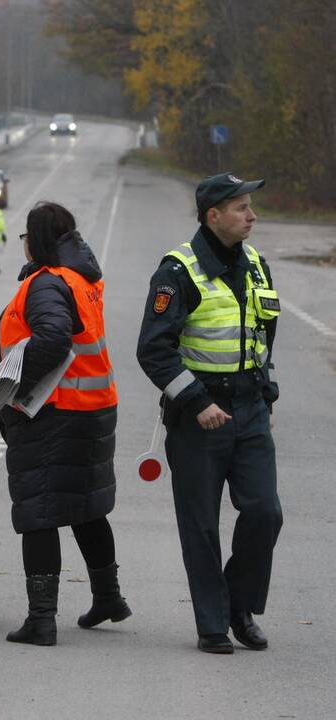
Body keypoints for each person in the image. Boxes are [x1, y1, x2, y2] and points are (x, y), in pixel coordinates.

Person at [136, 173, 281, 654]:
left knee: (265, 513)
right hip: (200, 414)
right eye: (241, 207)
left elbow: (261, 336)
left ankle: (238, 604)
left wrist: (267, 396)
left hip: (250, 408)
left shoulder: (257, 265)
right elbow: (154, 351)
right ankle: (213, 624)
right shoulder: (178, 271)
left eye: (250, 206)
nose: (251, 215)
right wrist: (197, 403)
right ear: (212, 215)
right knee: (200, 525)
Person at [0, 201, 129, 646]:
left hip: (54, 412)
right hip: (93, 407)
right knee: (86, 505)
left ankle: (41, 619)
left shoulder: (47, 283)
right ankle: (108, 598)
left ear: (36, 241)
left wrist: (14, 383)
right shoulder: (82, 278)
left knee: (38, 511)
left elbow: (52, 337)